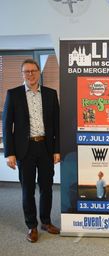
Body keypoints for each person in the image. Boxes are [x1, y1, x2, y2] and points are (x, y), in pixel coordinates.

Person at [2, 59, 61, 243]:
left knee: (46, 188)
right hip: (24, 150)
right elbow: (7, 126)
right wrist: (9, 153)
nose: (30, 74)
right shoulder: (14, 94)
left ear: (39, 72)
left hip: (45, 147)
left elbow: (57, 126)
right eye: (26, 71)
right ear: (22, 74)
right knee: (27, 189)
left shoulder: (51, 94)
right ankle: (32, 226)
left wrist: (57, 150)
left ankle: (46, 222)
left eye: (33, 71)